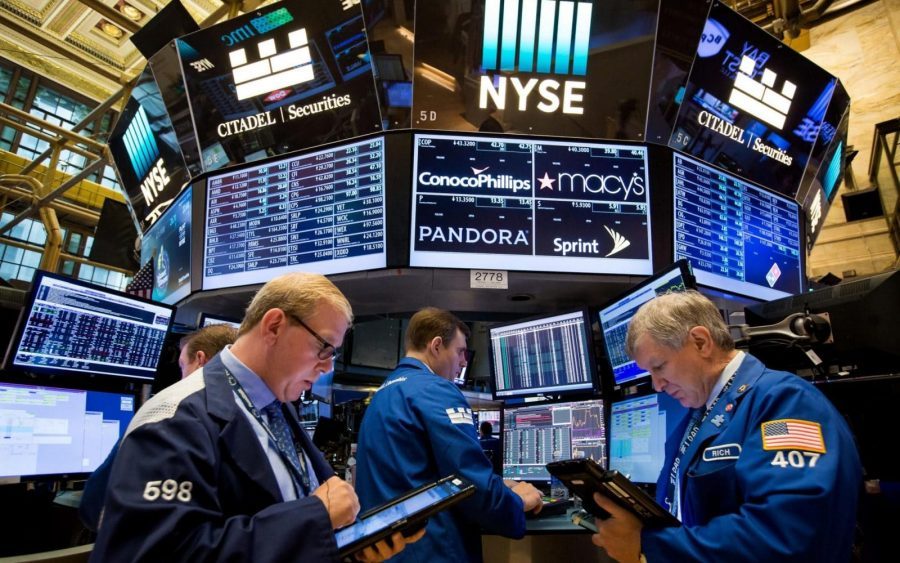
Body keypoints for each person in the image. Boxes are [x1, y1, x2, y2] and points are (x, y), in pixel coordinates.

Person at [90, 273, 421, 562]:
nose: (327, 367)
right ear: (274, 325)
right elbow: (153, 554)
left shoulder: (276, 406)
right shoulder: (174, 416)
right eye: (324, 348)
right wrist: (314, 518)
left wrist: (347, 548)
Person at [589, 290, 862, 563]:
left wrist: (650, 546)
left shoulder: (786, 402)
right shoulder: (696, 416)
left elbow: (787, 536)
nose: (657, 385)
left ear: (700, 342)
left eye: (659, 367)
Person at [355, 307, 543, 563]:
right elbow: (468, 483)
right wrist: (518, 501)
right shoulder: (436, 390)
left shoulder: (382, 394)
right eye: (460, 351)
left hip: (392, 552)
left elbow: (417, 471)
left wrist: (498, 483)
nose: (464, 361)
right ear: (436, 346)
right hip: (434, 549)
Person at [79, 323, 239, 532]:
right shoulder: (255, 411)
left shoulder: (169, 410)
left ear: (201, 360)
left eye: (183, 366)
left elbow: (96, 507)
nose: (181, 376)